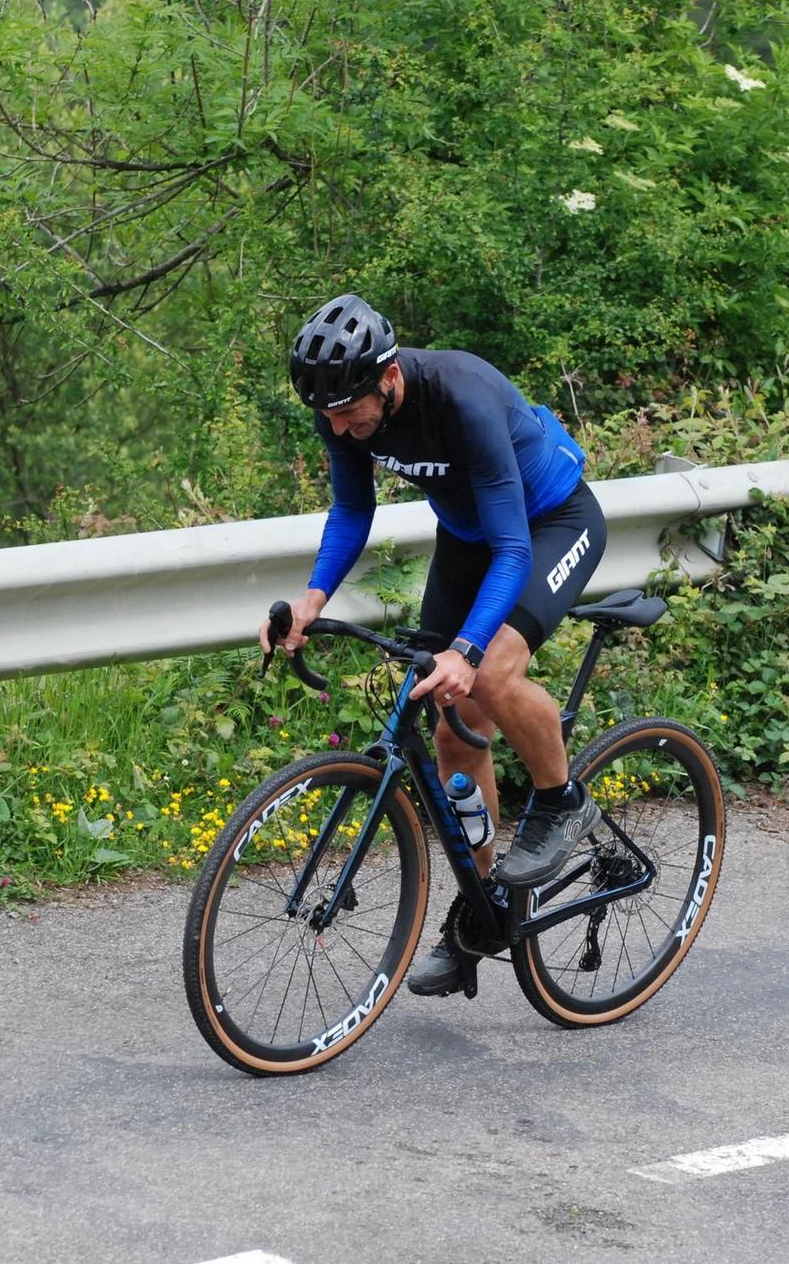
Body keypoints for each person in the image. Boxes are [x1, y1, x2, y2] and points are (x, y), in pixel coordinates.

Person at [259, 292, 609, 997]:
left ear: (389, 378)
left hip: (549, 527)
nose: (339, 426)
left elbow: (514, 548)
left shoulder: (463, 395)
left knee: (487, 677)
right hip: (472, 538)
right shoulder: (341, 411)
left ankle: (562, 799)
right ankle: (482, 914)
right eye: (325, 414)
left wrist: (469, 648)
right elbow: (353, 509)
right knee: (453, 735)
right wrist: (311, 601)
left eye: (349, 409)